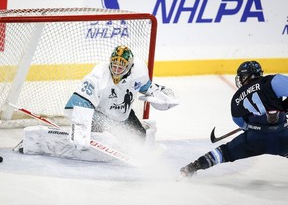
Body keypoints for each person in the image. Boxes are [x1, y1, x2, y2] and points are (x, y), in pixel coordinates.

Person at [17, 45, 179, 162]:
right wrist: (81, 131)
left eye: (120, 66)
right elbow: (80, 104)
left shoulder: (139, 72)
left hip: (122, 113)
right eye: (114, 65)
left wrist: (162, 97)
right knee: (102, 138)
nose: (116, 69)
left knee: (138, 139)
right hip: (97, 114)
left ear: (130, 66)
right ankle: (53, 142)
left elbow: (147, 88)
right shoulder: (98, 77)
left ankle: (119, 143)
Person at [180, 60, 288, 177]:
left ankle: (192, 167)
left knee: (225, 152)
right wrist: (284, 107)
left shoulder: (236, 98)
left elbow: (241, 123)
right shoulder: (273, 81)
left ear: (245, 76)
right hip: (282, 136)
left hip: (254, 139)